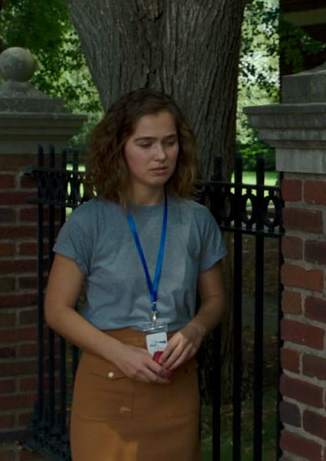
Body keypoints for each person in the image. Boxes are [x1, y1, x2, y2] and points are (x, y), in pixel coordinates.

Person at [44, 88, 226, 460]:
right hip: (109, 382)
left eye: (169, 142)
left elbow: (215, 299)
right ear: (119, 148)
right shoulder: (88, 222)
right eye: (145, 143)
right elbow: (57, 309)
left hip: (175, 384)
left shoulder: (196, 220)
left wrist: (195, 329)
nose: (161, 155)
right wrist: (119, 353)